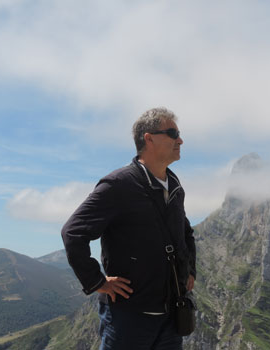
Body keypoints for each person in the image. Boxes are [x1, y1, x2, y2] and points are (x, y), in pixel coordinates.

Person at [61, 107, 196, 350]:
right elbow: (73, 232)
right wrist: (96, 281)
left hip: (171, 316)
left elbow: (185, 234)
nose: (180, 140)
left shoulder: (175, 187)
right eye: (172, 133)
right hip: (129, 318)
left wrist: (191, 271)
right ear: (149, 138)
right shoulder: (118, 185)